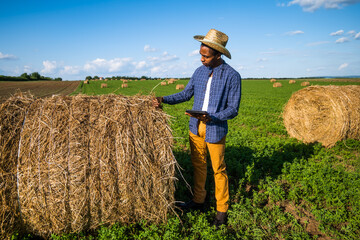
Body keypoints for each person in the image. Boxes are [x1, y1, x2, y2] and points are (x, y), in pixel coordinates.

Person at [153, 29, 241, 228]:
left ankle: (222, 210)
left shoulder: (232, 76)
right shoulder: (199, 72)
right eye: (200, 55)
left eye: (206, 56)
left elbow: (233, 109)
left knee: (219, 169)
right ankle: (199, 201)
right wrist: (163, 99)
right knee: (199, 165)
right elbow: (185, 94)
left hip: (215, 128)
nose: (202, 59)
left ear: (218, 55)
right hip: (195, 127)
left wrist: (212, 116)